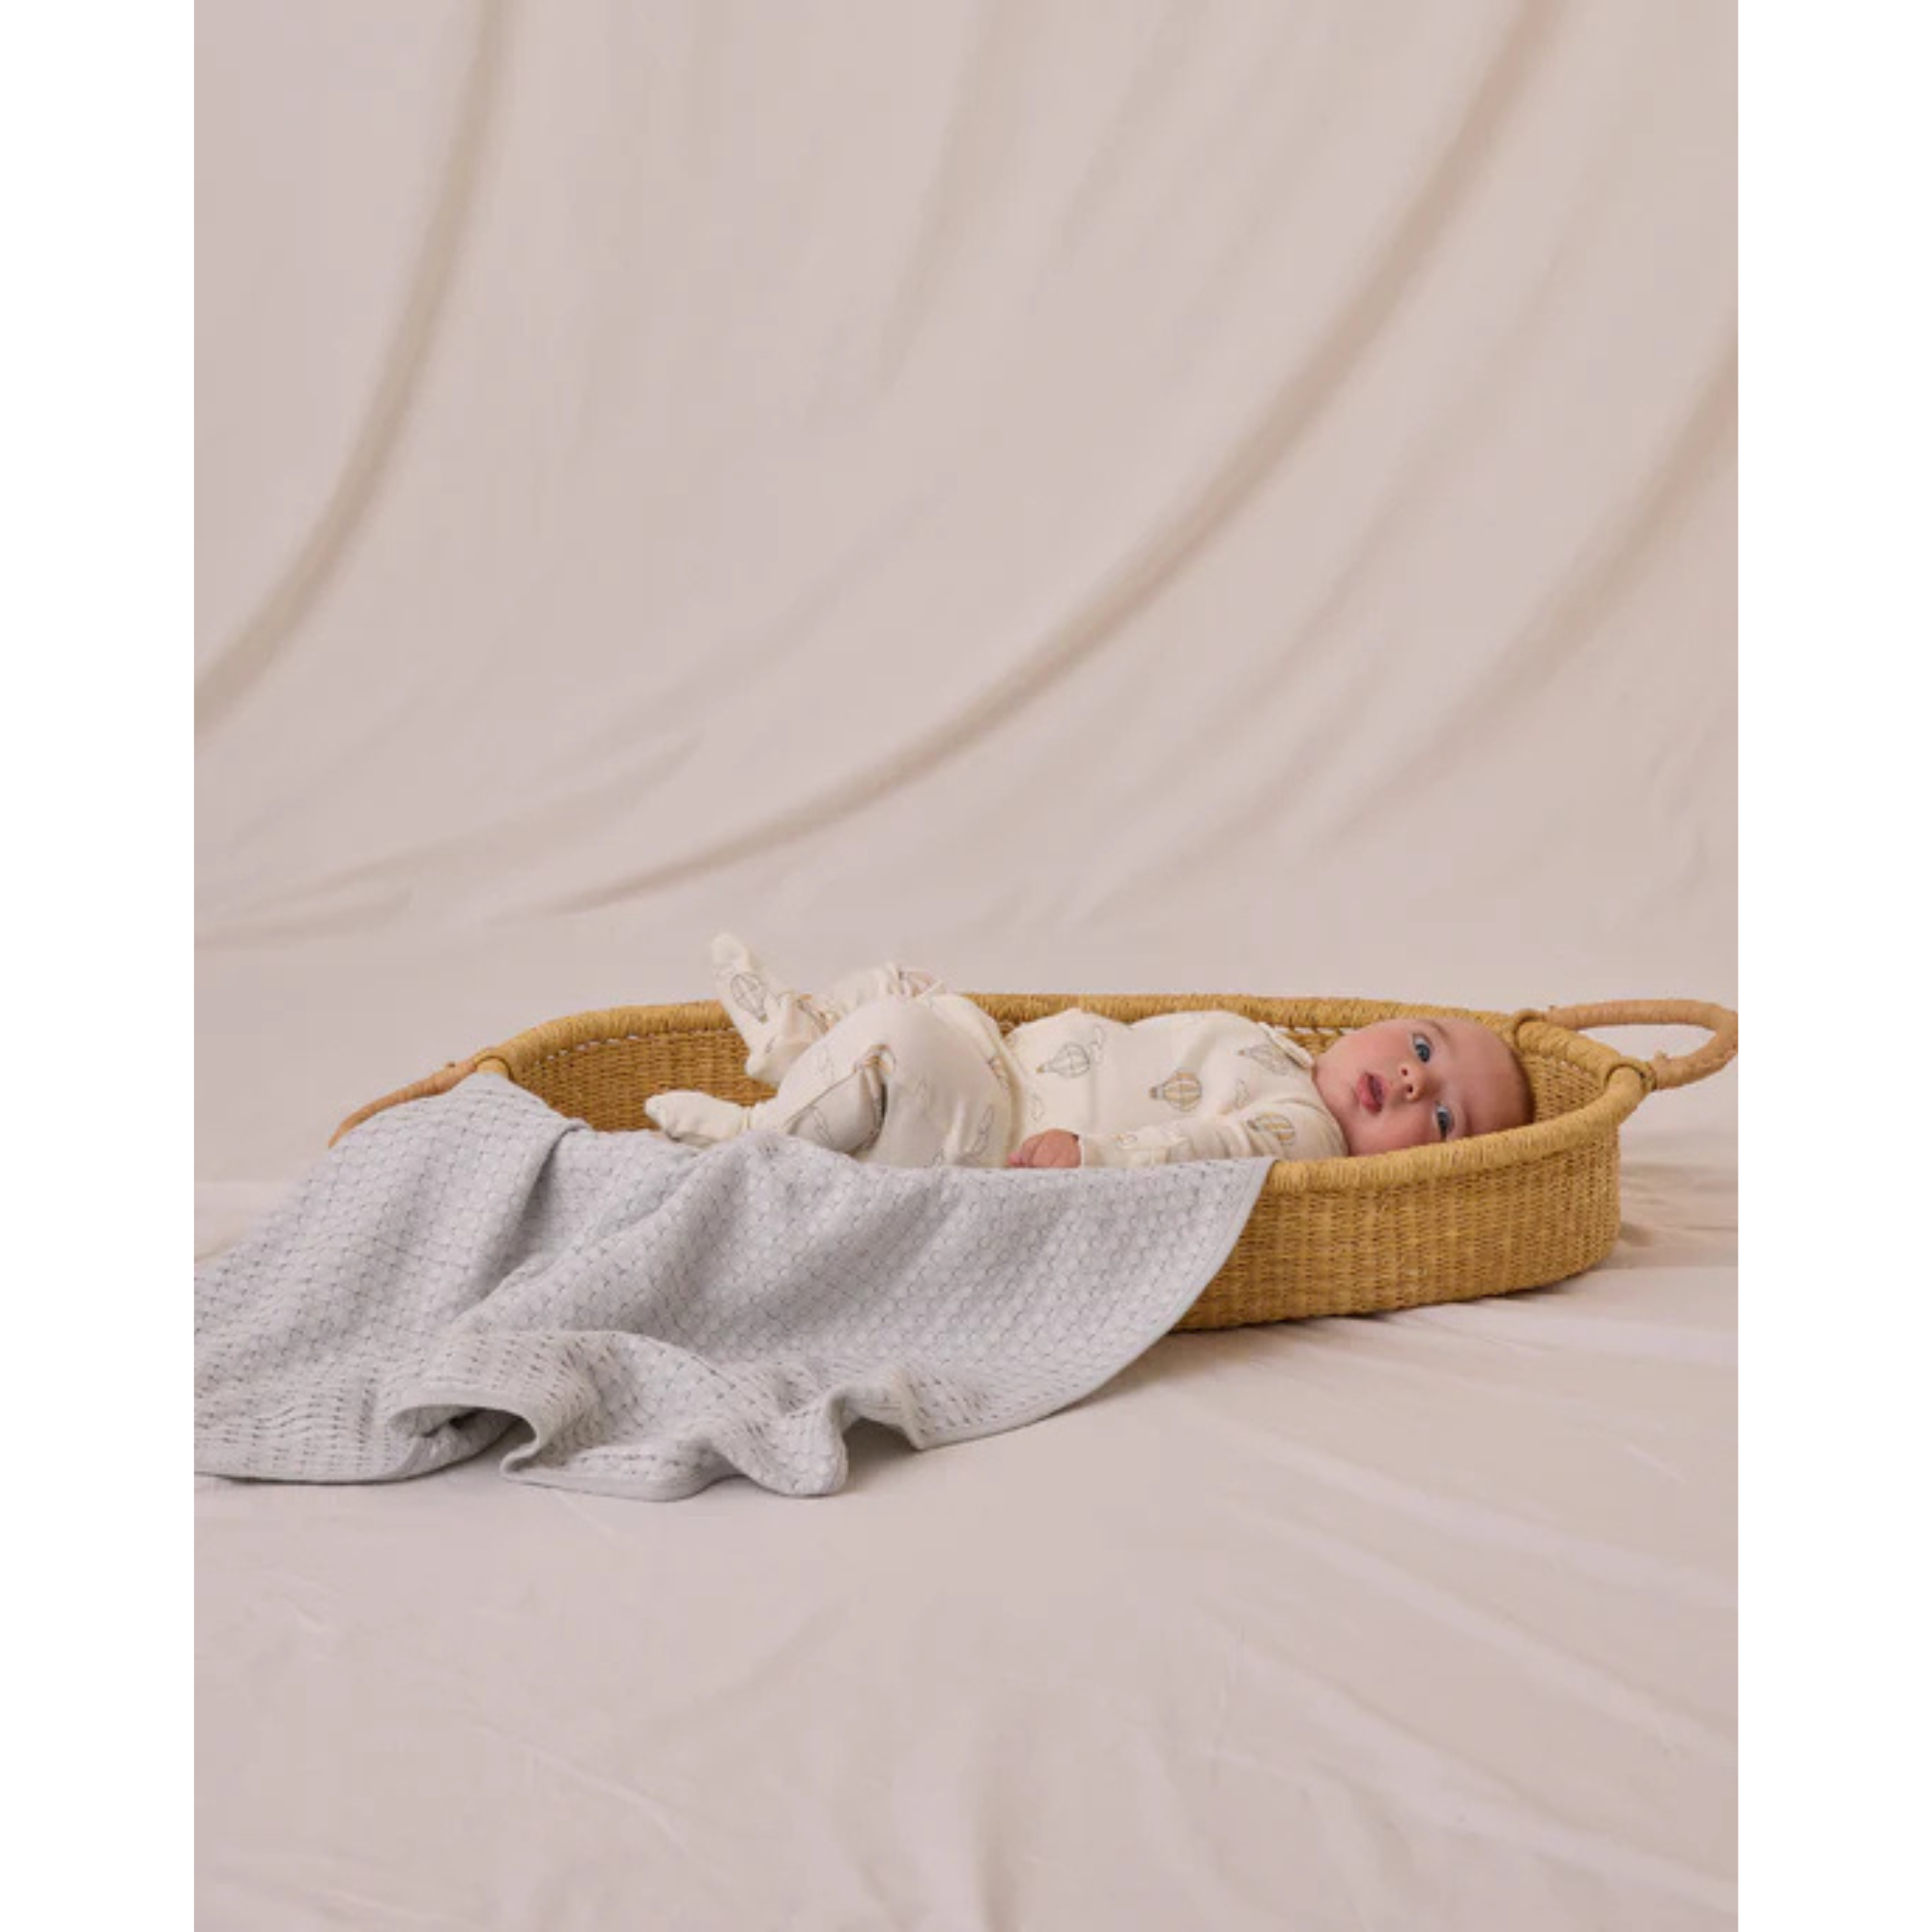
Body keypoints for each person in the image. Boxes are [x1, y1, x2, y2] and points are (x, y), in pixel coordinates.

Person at [644, 936, 1534, 1170]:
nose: (1414, 1078)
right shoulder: (1284, 1053)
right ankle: (799, 1044)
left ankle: (754, 1141)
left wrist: (1097, 1157)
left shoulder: (1308, 1131)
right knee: (909, 991)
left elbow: (1207, 1151)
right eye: (1424, 1045)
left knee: (899, 1043)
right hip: (997, 1063)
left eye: (1442, 1117)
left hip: (999, 1140)